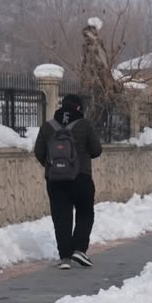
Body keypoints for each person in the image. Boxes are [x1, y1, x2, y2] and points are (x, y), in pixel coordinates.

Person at [33, 93, 102, 269]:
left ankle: (65, 258)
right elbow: (96, 150)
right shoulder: (84, 125)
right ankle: (79, 249)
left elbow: (39, 151)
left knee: (61, 217)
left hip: (55, 181)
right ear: (79, 108)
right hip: (82, 177)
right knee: (85, 212)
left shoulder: (47, 126)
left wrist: (52, 168)